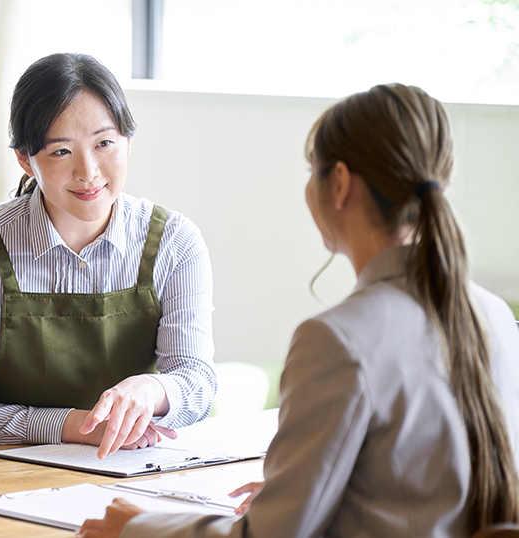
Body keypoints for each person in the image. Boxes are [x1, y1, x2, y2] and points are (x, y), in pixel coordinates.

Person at [78, 83, 519, 537]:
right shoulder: (497, 317)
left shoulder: (339, 339)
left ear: (341, 183)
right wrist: (307, 498)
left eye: (314, 169)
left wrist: (141, 529)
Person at [0, 53, 215, 457]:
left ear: (128, 143)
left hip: (125, 476)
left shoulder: (175, 242)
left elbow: (196, 381)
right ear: (26, 160)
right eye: (61, 151)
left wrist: (155, 389)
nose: (89, 171)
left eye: (105, 143)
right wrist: (72, 426)